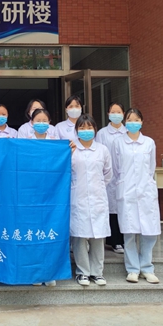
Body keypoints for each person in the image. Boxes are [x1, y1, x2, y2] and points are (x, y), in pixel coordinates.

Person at [111, 108, 161, 284]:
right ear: (125, 122)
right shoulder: (118, 142)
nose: (133, 122)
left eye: (136, 119)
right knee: (129, 232)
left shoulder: (149, 143)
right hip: (127, 192)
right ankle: (132, 269)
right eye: (130, 119)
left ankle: (147, 268)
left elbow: (151, 167)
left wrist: (145, 184)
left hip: (145, 191)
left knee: (149, 232)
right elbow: (116, 168)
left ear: (142, 122)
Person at [70, 114, 112, 287]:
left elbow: (108, 173)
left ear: (95, 129)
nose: (86, 131)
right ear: (76, 130)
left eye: (89, 127)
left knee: (98, 237)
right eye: (82, 128)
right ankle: (83, 272)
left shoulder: (102, 150)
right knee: (80, 237)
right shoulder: (72, 149)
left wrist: (97, 187)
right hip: (78, 197)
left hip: (97, 198)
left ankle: (97, 272)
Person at [20, 108, 57, 287]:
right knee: (33, 233)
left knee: (49, 232)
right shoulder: (25, 143)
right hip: (31, 194)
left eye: (44, 120)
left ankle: (49, 272)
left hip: (51, 193)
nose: (41, 123)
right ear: (32, 123)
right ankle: (34, 272)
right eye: (38, 120)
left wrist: (70, 150)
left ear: (49, 123)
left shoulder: (56, 143)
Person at [95, 102, 127, 254]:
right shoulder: (102, 133)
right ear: (108, 114)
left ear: (123, 114)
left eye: (118, 112)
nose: (116, 114)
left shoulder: (128, 132)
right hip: (108, 176)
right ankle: (114, 241)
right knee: (111, 209)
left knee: (123, 209)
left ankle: (124, 239)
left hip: (125, 175)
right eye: (113, 112)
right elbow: (99, 153)